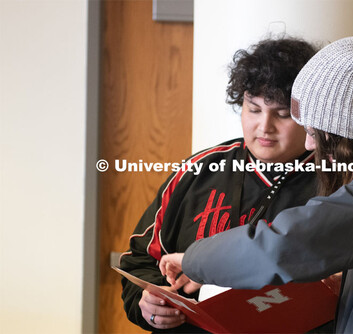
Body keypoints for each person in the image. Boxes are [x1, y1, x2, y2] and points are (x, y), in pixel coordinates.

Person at [160, 36, 353, 333]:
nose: (310, 145)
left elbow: (285, 244)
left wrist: (193, 260)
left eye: (314, 132)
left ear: (341, 131)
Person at [119, 37, 321, 333]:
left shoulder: (336, 180)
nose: (264, 127)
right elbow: (139, 261)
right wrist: (148, 305)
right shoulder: (198, 171)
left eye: (282, 114)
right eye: (253, 109)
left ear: (310, 117)